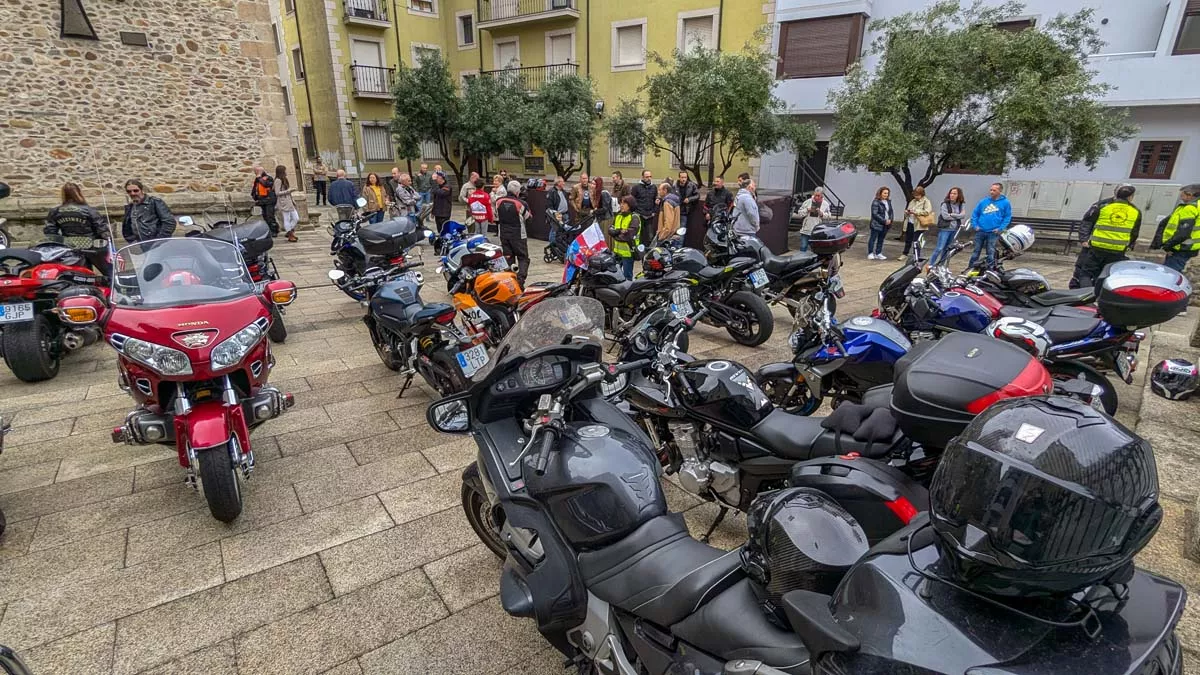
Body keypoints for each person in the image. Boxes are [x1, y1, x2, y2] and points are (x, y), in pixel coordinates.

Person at [1069, 184, 1141, 288]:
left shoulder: (1106, 207)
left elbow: (1134, 232)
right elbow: (1087, 221)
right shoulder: (1102, 205)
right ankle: (1080, 292)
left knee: (1098, 275)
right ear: (1130, 197)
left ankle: (1092, 297)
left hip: (1101, 247)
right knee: (1082, 272)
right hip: (1099, 247)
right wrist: (1084, 239)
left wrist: (1129, 245)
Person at [44, 182, 111, 276]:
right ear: (79, 193)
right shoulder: (89, 210)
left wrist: (61, 243)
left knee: (78, 275)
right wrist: (107, 245)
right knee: (110, 274)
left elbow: (50, 232)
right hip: (92, 247)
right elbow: (102, 230)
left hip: (70, 247)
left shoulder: (55, 211)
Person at [966, 182, 1013, 271]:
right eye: (991, 190)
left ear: (1000, 191)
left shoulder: (1005, 203)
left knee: (990, 252)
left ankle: (990, 269)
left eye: (994, 190)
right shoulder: (983, 201)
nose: (991, 192)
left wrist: (1000, 228)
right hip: (980, 231)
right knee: (976, 252)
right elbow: (975, 214)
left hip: (993, 232)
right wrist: (975, 225)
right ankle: (971, 268)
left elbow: (1007, 217)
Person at [1154, 183, 1200, 273]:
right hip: (1189, 247)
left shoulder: (1190, 208)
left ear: (1189, 195)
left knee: (1169, 274)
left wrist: (1167, 246)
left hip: (1180, 248)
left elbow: (1183, 233)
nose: (1181, 198)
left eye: (1182, 195)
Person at [495, 181, 531, 285]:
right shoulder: (521, 203)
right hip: (519, 235)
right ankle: (520, 280)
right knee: (523, 258)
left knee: (508, 257)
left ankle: (509, 280)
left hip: (504, 234)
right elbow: (529, 218)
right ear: (518, 191)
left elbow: (496, 216)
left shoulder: (499, 201)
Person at [121, 179, 176, 244]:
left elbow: (169, 222)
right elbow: (127, 227)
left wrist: (159, 241)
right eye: (129, 191)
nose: (132, 193)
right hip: (139, 245)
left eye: (135, 191)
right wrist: (132, 241)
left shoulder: (154, 202)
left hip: (157, 244)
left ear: (142, 190)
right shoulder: (130, 207)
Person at [929, 187, 966, 268]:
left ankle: (941, 265)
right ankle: (931, 264)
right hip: (945, 229)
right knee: (940, 248)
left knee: (947, 249)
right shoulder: (945, 204)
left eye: (954, 193)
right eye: (951, 193)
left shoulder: (961, 204)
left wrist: (952, 214)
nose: (952, 195)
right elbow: (945, 217)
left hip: (955, 229)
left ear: (958, 195)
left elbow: (963, 215)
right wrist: (957, 216)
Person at [611, 196, 642, 280]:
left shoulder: (634, 217)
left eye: (624, 203)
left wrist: (615, 234)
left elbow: (628, 235)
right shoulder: (618, 216)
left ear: (630, 205)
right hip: (617, 252)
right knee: (615, 275)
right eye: (621, 203)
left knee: (627, 276)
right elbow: (610, 230)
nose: (621, 205)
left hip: (628, 252)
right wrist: (620, 231)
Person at [796, 187, 832, 252]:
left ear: (822, 195)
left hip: (818, 231)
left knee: (815, 249)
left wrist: (821, 213)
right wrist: (807, 210)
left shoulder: (825, 204)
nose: (816, 197)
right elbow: (799, 213)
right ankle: (802, 260)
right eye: (815, 195)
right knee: (803, 247)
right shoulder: (807, 202)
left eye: (818, 196)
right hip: (806, 229)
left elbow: (829, 216)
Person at [902, 185, 934, 257]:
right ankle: (905, 253)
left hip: (919, 224)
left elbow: (927, 211)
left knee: (916, 240)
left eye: (917, 195)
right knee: (908, 239)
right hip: (910, 222)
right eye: (915, 195)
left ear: (922, 194)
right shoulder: (912, 201)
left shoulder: (926, 201)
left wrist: (915, 211)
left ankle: (916, 255)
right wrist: (907, 212)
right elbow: (908, 209)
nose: (916, 197)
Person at [275, 165, 300, 242]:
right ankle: (290, 234)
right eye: (285, 170)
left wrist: (292, 199)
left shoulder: (284, 179)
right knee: (286, 218)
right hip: (284, 202)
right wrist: (289, 191)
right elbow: (277, 192)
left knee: (296, 218)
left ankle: (289, 231)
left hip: (289, 201)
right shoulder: (278, 180)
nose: (286, 172)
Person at [251, 164, 278, 236]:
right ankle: (269, 230)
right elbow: (255, 189)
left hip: (269, 200)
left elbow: (266, 185)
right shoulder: (257, 179)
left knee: (270, 216)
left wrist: (259, 177)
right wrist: (255, 198)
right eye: (255, 171)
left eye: (256, 171)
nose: (255, 172)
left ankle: (274, 231)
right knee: (265, 216)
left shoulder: (268, 178)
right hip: (262, 200)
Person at [867, 186, 893, 260]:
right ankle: (870, 253)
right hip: (877, 224)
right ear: (880, 193)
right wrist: (884, 221)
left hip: (886, 224)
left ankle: (878, 253)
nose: (886, 195)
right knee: (873, 239)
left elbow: (891, 212)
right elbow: (875, 214)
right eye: (884, 193)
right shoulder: (876, 202)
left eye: (887, 193)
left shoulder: (888, 202)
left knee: (881, 239)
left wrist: (890, 220)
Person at [631, 170, 657, 239]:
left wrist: (654, 211)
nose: (649, 178)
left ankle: (649, 249)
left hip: (650, 216)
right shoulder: (636, 187)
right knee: (638, 235)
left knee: (650, 236)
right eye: (647, 177)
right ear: (642, 177)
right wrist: (635, 212)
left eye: (650, 176)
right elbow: (632, 201)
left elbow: (655, 200)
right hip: (639, 215)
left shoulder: (654, 187)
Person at [655, 181, 680, 246]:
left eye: (660, 190)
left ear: (665, 190)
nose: (658, 192)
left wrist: (661, 236)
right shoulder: (674, 200)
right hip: (673, 234)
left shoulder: (667, 202)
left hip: (667, 238)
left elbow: (668, 222)